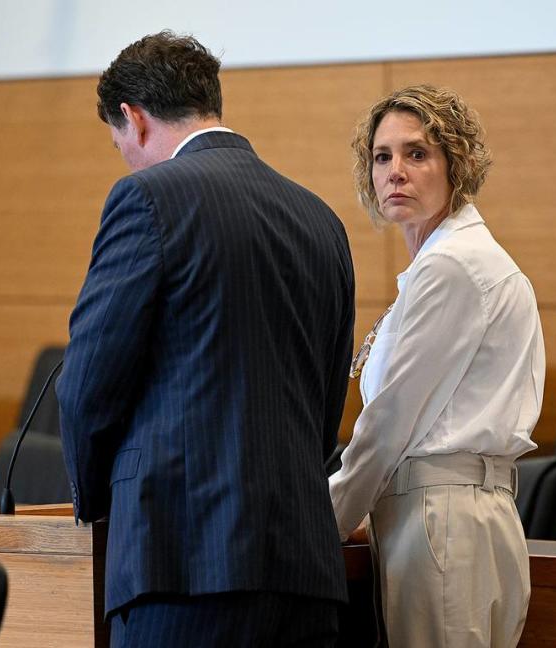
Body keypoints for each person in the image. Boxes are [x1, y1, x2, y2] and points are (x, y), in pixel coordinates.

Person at [56, 32, 355, 648]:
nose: (125, 158)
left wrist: (94, 507)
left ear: (132, 119)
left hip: (181, 565)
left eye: (119, 144)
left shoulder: (146, 198)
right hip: (306, 573)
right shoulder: (321, 219)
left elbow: (88, 384)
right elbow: (327, 410)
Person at [329, 85, 545, 647]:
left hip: (441, 523)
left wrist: (323, 520)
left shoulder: (453, 265)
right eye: (382, 157)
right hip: (457, 518)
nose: (395, 171)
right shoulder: (458, 260)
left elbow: (391, 420)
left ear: (458, 165)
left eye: (417, 153)